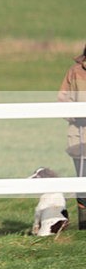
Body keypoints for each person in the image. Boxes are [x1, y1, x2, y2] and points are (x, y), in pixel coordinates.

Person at [57, 43, 86, 229]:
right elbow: (62, 100)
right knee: (83, 181)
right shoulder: (75, 72)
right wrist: (77, 115)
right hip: (80, 136)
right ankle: (84, 225)